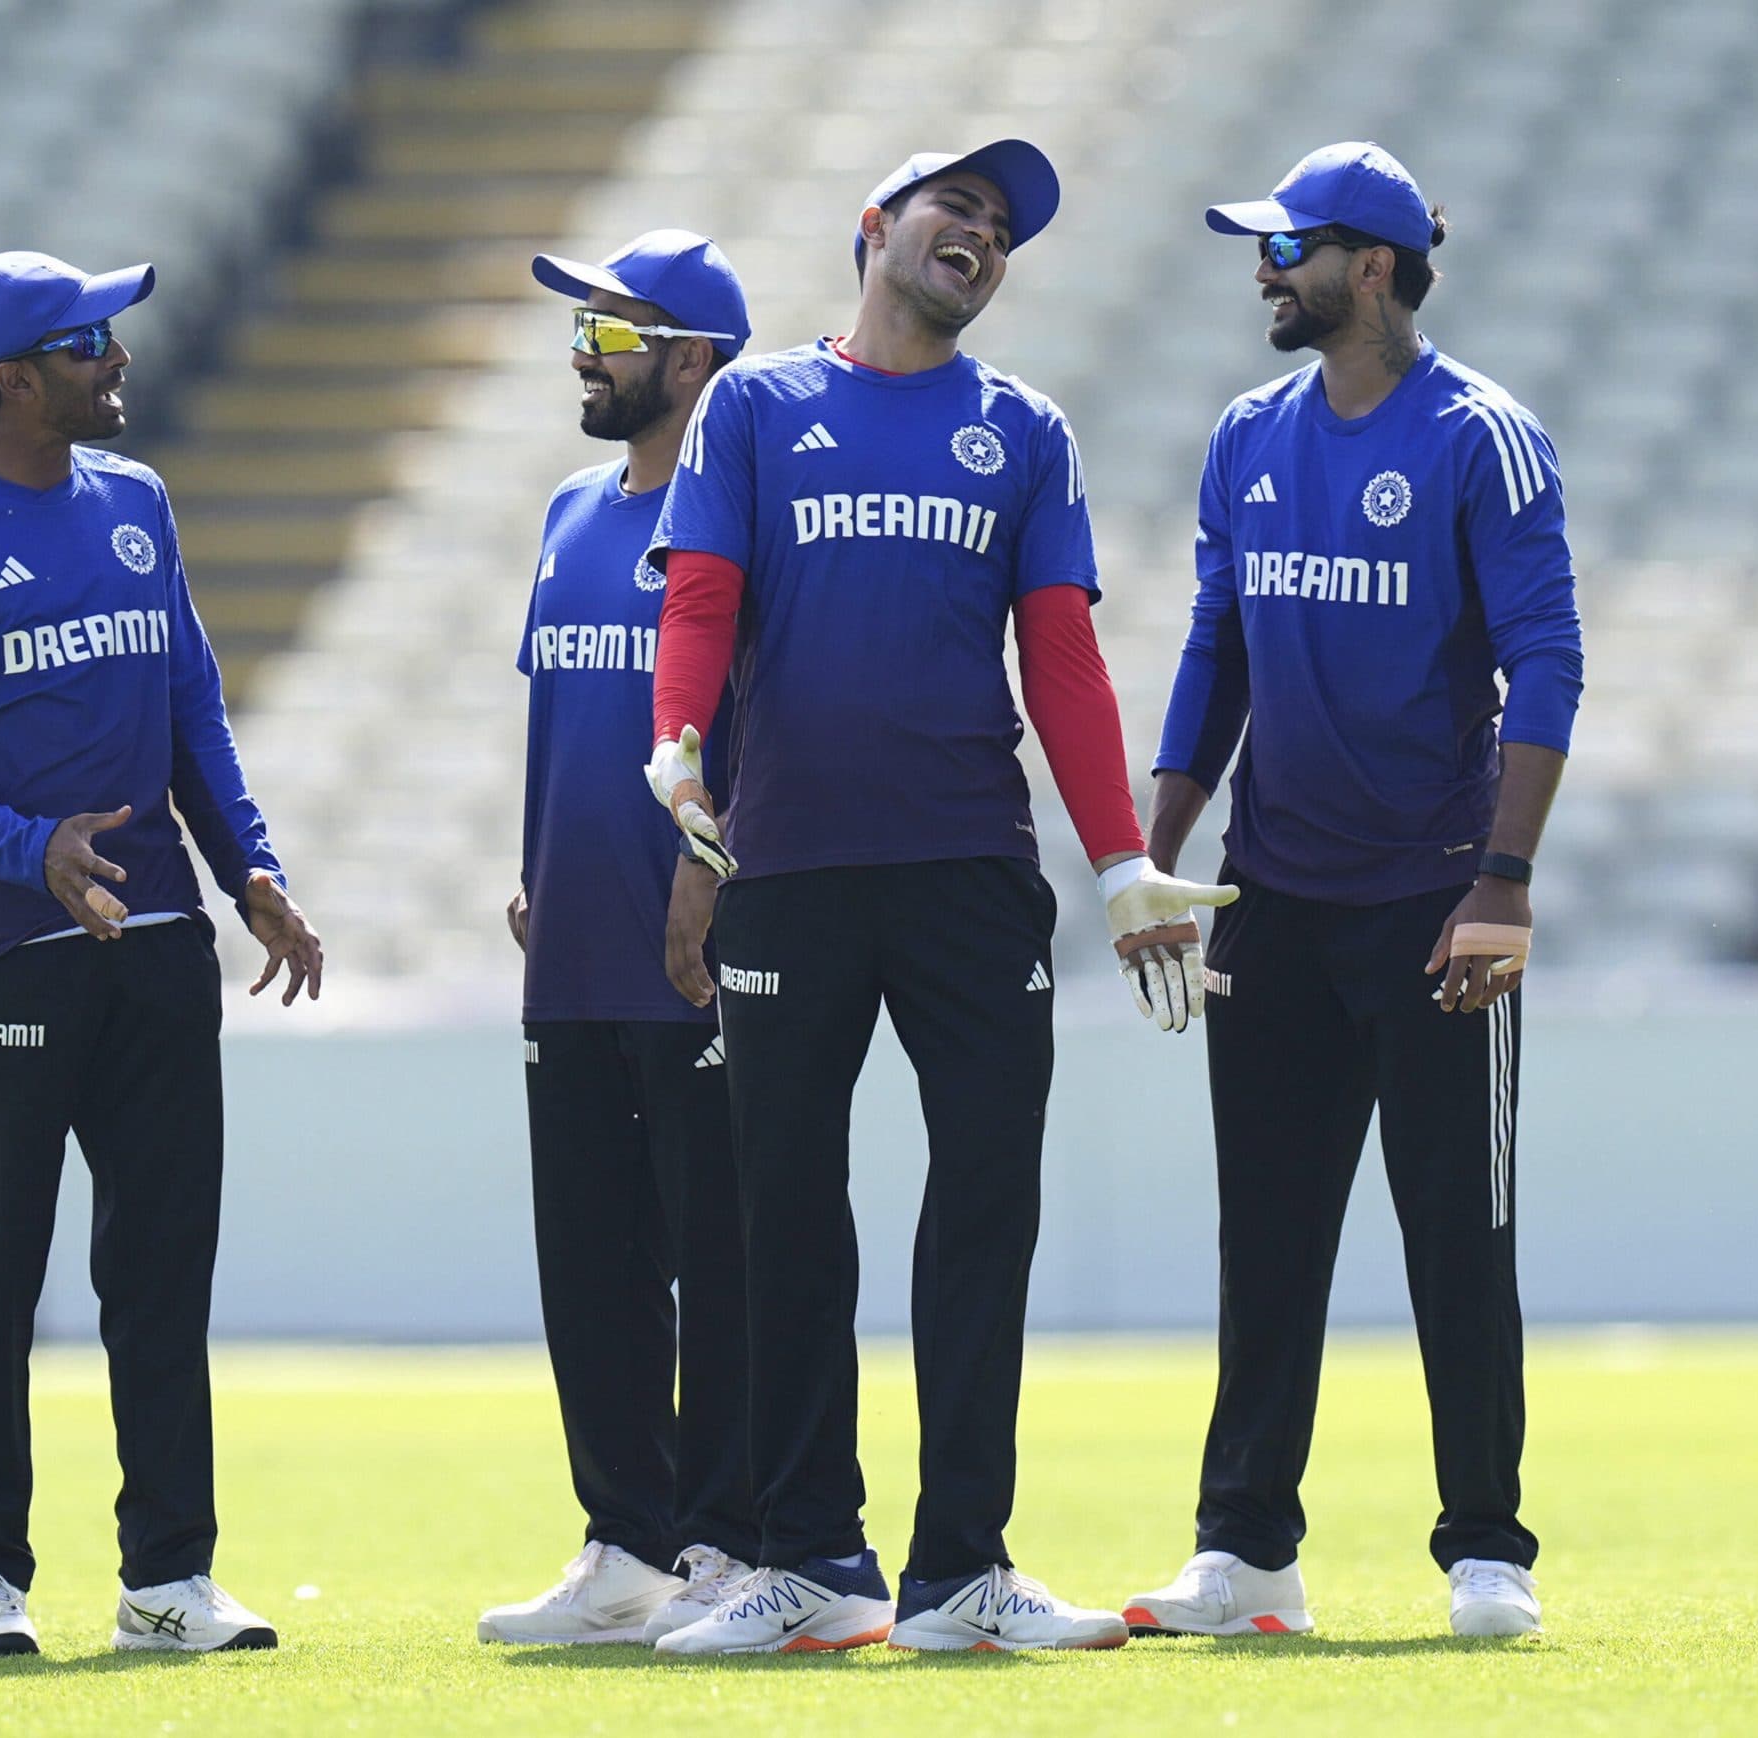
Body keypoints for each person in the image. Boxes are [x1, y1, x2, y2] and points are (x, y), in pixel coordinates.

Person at [641, 142, 1236, 1656]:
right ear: (875, 232)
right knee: (787, 1214)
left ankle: (964, 1564)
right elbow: (701, 597)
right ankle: (812, 1561)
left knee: (984, 1205)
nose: (977, 234)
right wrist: (679, 745)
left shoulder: (1024, 430)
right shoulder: (758, 408)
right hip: (788, 867)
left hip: (972, 872)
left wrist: (1115, 862)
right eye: (950, 210)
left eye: (998, 226)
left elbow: (1064, 661)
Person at [1121, 141, 1582, 1642]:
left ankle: (1486, 1548)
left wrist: (1503, 885)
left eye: (1288, 248)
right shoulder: (1247, 435)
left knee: (1460, 1227)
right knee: (1265, 1236)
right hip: (1277, 901)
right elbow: (1218, 653)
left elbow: (1548, 665)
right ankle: (1246, 1551)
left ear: (1369, 267)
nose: (1264, 270)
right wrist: (1157, 854)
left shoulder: (1482, 438)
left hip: (1436, 908)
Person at [0, 251, 324, 1657]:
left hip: (164, 947)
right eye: (86, 342)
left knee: (163, 1271)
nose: (116, 359)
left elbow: (192, 702)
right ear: (12, 375)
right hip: (7, 951)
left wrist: (252, 868)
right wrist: (24, 847)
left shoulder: (137, 503)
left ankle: (168, 1576)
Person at [476, 233, 759, 1648]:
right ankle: (625, 1541)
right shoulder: (572, 509)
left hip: (698, 960)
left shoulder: (744, 514)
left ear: (697, 356)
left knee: (721, 1255)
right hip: (573, 954)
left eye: (616, 328)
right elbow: (560, 720)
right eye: (584, 326)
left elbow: (761, 730)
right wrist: (532, 875)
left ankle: (724, 1539)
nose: (586, 350)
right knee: (588, 1262)